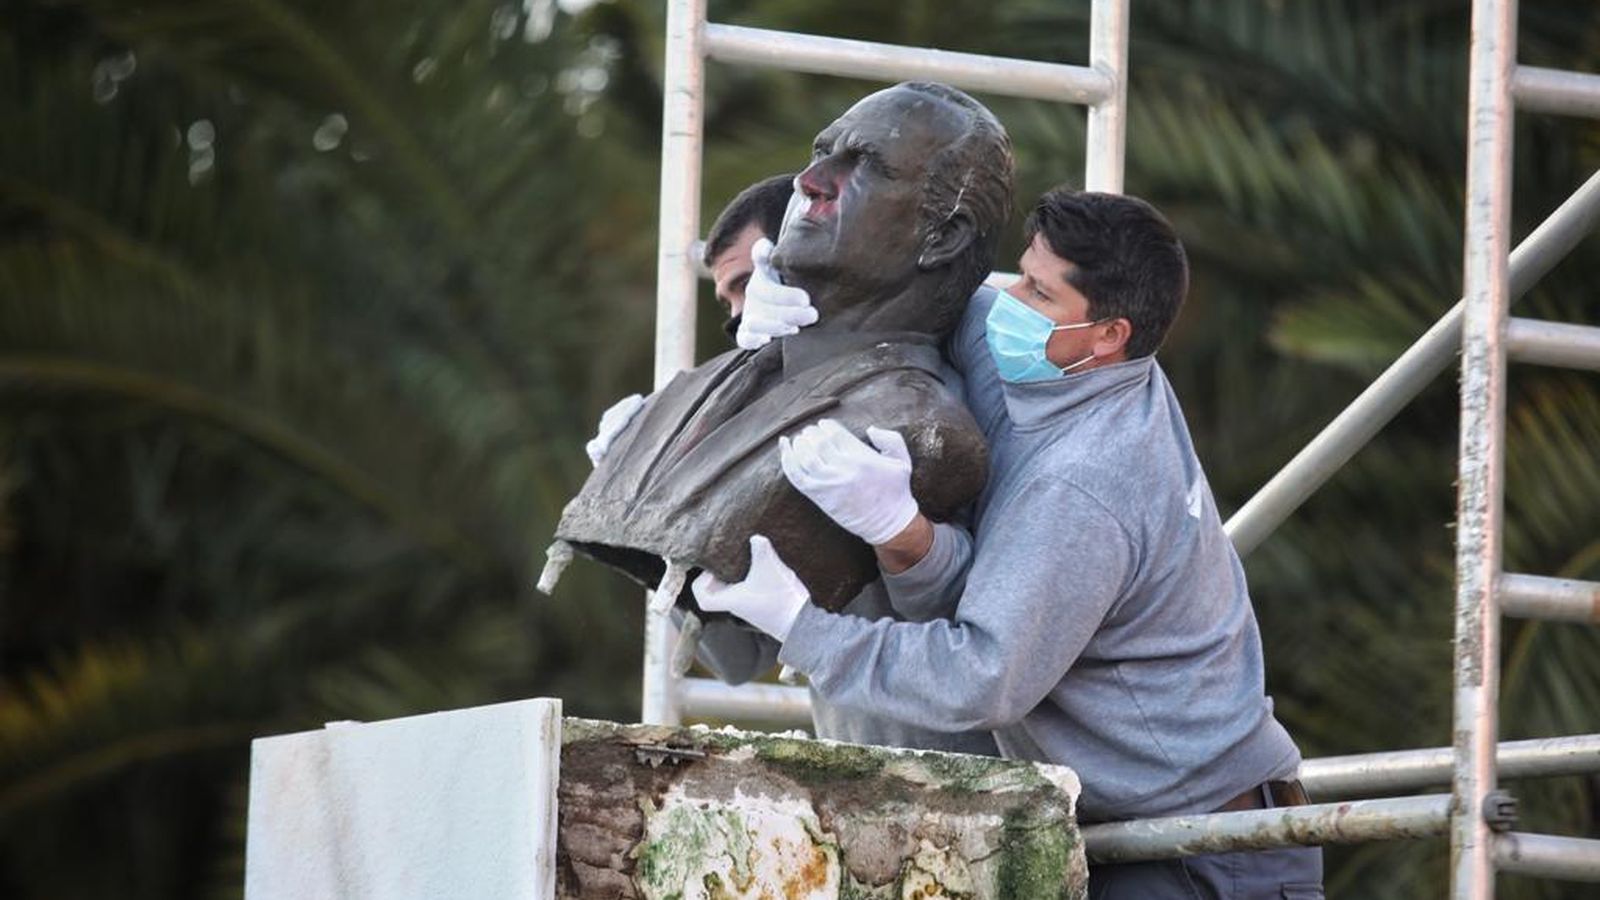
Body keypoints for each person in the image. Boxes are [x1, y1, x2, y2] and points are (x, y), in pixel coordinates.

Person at [694, 188, 1323, 897]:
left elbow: (982, 676)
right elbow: (931, 297)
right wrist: (802, 300)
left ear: (1109, 333)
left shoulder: (1085, 482)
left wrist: (801, 628)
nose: (1009, 299)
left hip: (1204, 848)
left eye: (1037, 291)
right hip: (1137, 829)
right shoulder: (1063, 369)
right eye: (1022, 271)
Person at [577, 83, 1015, 756]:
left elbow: (989, 651)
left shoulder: (926, 414)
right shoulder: (741, 390)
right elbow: (736, 652)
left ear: (940, 233)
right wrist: (648, 486)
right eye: (819, 158)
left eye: (748, 285)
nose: (812, 185)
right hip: (859, 776)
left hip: (950, 778)